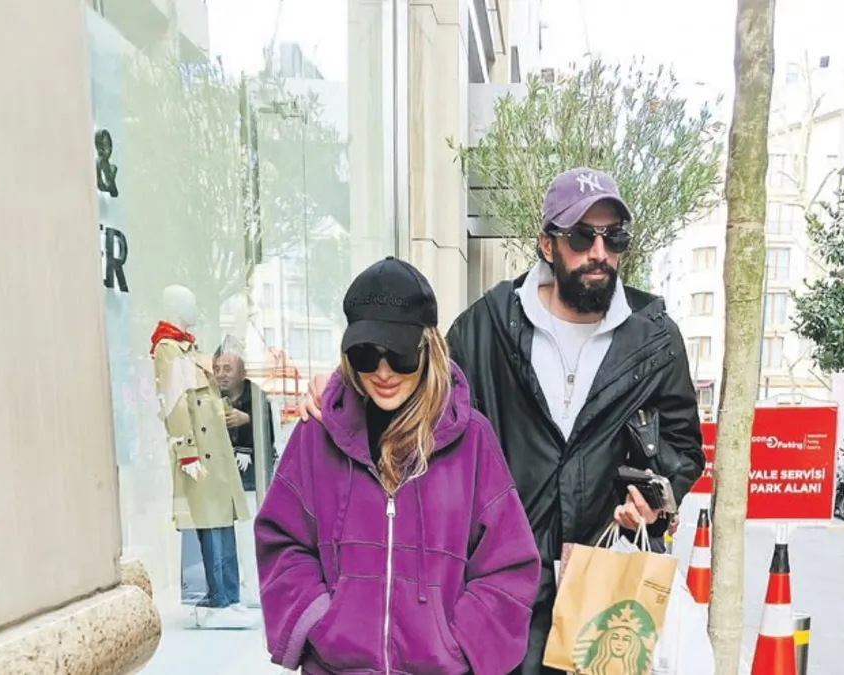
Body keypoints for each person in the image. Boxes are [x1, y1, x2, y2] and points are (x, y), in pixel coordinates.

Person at [302, 167, 705, 675]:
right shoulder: (486, 326)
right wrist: (343, 387)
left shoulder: (655, 338)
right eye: (582, 237)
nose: (599, 252)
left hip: (602, 588)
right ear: (547, 243)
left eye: (614, 237)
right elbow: (418, 396)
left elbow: (682, 447)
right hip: (501, 591)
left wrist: (653, 498)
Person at [257, 257, 541, 674]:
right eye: (366, 355)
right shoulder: (316, 435)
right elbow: (281, 540)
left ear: (429, 348)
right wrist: (319, 622)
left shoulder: (472, 440)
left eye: (400, 355)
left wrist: (459, 647)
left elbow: (509, 565)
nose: (383, 371)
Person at [213, 344, 278, 608]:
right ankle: (231, 590)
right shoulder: (210, 398)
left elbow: (268, 439)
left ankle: (255, 587)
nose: (221, 374)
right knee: (225, 541)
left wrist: (248, 420)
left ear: (242, 372)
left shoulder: (258, 398)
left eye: (227, 368)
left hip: (252, 484)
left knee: (249, 537)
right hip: (220, 484)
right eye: (217, 368)